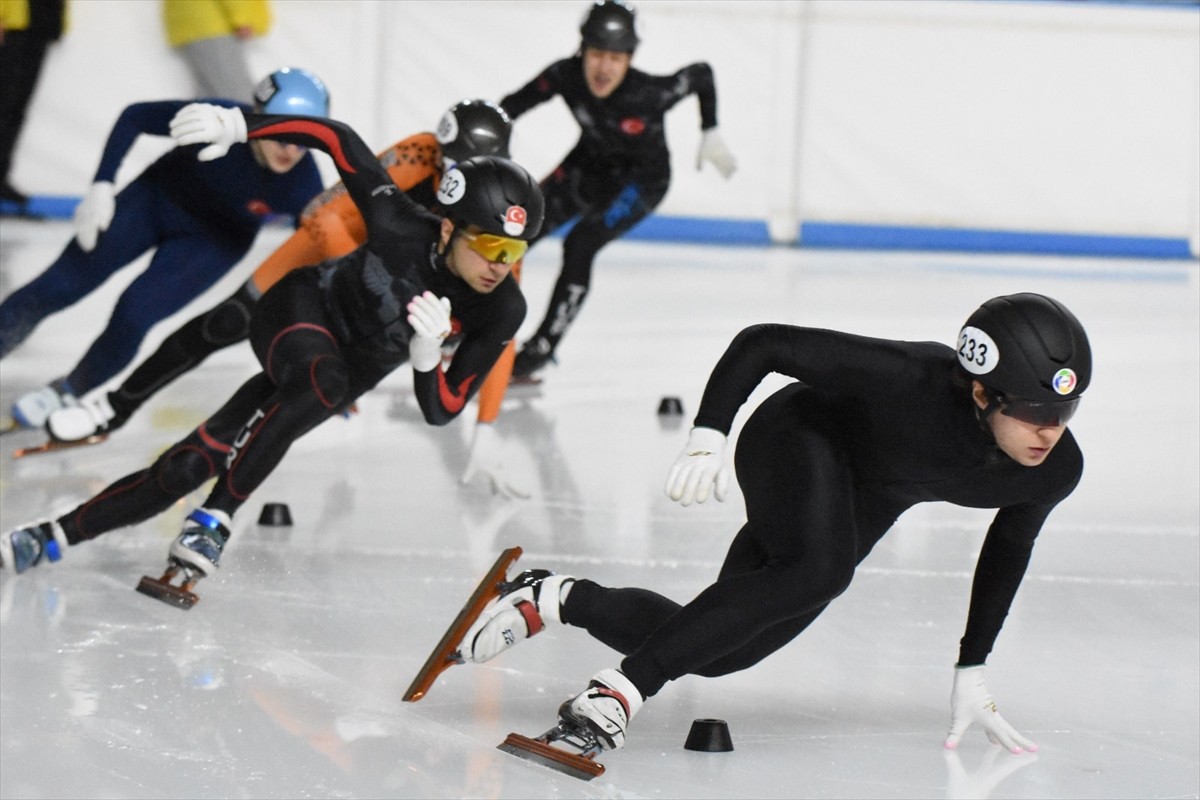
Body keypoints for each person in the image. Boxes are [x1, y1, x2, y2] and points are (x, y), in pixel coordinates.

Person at [442, 293, 1090, 755]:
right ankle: (618, 692)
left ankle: (553, 597)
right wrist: (708, 433)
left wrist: (973, 665)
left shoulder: (1053, 470)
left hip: (866, 494)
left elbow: (1008, 549)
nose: (1050, 431)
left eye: (1066, 411)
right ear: (980, 392)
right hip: (796, 436)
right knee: (820, 570)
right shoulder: (912, 378)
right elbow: (766, 343)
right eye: (1035, 411)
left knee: (726, 649)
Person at [0, 102, 544, 602]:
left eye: (514, 250)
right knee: (312, 375)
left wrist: (426, 359)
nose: (501, 265)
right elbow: (338, 137)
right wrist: (242, 126)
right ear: (448, 228)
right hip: (300, 308)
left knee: (188, 466)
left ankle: (47, 536)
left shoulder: (502, 308)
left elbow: (441, 409)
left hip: (336, 374)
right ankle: (213, 517)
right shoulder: (399, 220)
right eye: (490, 245)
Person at [45, 99, 530, 496]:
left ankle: (215, 495)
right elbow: (323, 212)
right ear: (438, 152)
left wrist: (486, 424)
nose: (458, 184)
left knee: (307, 394)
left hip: (389, 301)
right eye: (453, 168)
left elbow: (499, 328)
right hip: (340, 261)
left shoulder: (497, 218)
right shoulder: (418, 153)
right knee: (223, 323)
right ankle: (113, 406)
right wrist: (374, 277)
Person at [0, 67, 329, 429]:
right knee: (59, 285)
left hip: (214, 242)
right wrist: (101, 185)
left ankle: (67, 392)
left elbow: (316, 257)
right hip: (155, 199)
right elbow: (135, 117)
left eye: (304, 141)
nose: (291, 151)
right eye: (281, 136)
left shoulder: (304, 186)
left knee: (134, 315)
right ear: (258, 116)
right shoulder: (214, 118)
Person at [500, 0, 737, 381]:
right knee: (517, 227)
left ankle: (543, 347)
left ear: (630, 59)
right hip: (588, 165)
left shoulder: (648, 94)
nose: (604, 68)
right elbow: (511, 106)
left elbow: (701, 73)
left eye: (615, 58)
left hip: (641, 182)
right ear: (582, 51)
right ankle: (472, 319)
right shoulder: (565, 75)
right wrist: (483, 143)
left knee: (581, 244)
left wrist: (710, 130)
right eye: (597, 54)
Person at [0, 0, 67, 209]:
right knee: (4, 105)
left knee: (17, 108)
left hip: (41, 23)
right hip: (11, 25)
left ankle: (1, 176)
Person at [162, 0, 271, 104]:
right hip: (212, 24)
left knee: (209, 95)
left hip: (195, 23)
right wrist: (242, 19)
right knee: (238, 93)